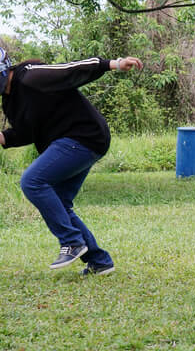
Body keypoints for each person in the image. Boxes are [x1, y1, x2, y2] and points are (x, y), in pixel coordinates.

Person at [0, 48, 144, 274]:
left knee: (32, 181)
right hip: (76, 141)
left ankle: (72, 241)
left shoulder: (31, 76)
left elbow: (72, 70)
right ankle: (99, 261)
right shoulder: (10, 102)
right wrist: (4, 138)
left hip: (83, 136)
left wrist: (114, 64)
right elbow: (28, 132)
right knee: (58, 201)